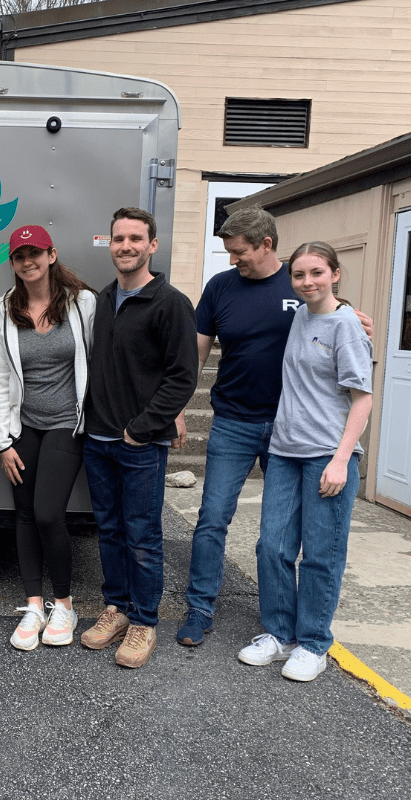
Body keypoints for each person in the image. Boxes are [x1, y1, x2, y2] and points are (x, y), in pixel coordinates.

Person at [174, 206, 374, 648]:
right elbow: (198, 354)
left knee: (293, 539)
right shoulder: (221, 288)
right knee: (212, 519)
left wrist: (357, 319)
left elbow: (336, 319)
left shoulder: (301, 284)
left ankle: (305, 633)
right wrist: (179, 406)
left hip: (294, 428)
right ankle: (200, 608)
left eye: (239, 252)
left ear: (267, 245)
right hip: (234, 421)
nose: (232, 260)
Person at [238, 242, 372, 682]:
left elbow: (362, 399)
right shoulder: (300, 315)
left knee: (320, 555)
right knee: (272, 546)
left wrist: (341, 459)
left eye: (317, 272)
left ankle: (314, 643)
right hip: (285, 451)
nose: (308, 281)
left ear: (335, 273)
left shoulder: (346, 325)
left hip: (326, 457)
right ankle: (280, 635)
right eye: (299, 275)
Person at [80, 207, 197, 669]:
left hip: (139, 444)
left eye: (135, 238)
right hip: (98, 439)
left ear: (151, 245)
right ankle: (118, 608)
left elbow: (183, 376)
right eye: (118, 238)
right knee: (108, 529)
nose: (125, 246)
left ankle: (145, 620)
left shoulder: (171, 303)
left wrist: (141, 430)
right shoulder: (103, 300)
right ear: (109, 244)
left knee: (143, 535)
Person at [0, 224, 96, 651]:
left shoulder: (82, 303)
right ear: (13, 263)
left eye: (36, 253)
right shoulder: (5, 309)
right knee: (24, 513)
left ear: (51, 255)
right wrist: (3, 441)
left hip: (66, 424)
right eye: (20, 256)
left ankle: (63, 604)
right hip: (23, 426)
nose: (28, 261)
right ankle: (34, 604)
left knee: (49, 513)